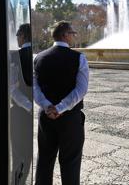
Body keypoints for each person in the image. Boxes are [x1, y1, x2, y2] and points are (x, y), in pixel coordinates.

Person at [34, 21, 89, 185]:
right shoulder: (78, 58)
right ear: (65, 35)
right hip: (70, 118)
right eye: (73, 33)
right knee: (70, 163)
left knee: (44, 160)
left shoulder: (39, 57)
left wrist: (47, 107)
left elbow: (35, 88)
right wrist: (61, 108)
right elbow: (81, 89)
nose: (74, 36)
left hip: (46, 117)